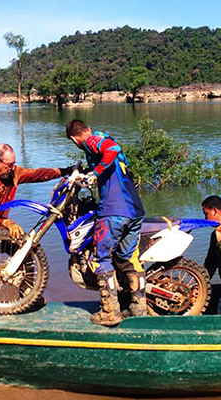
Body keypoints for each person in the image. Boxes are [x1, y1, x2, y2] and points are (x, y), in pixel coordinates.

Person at [66, 119, 146, 326]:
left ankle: (110, 312)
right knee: (127, 258)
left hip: (114, 211)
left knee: (100, 258)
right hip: (134, 210)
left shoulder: (93, 141)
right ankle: (138, 306)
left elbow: (113, 148)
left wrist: (95, 173)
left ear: (75, 139)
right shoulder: (100, 139)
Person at [0, 143, 71, 257]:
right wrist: (6, 222)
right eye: (8, 165)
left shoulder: (12, 173)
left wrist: (65, 171)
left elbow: (37, 174)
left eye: (13, 164)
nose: (11, 169)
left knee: (24, 254)